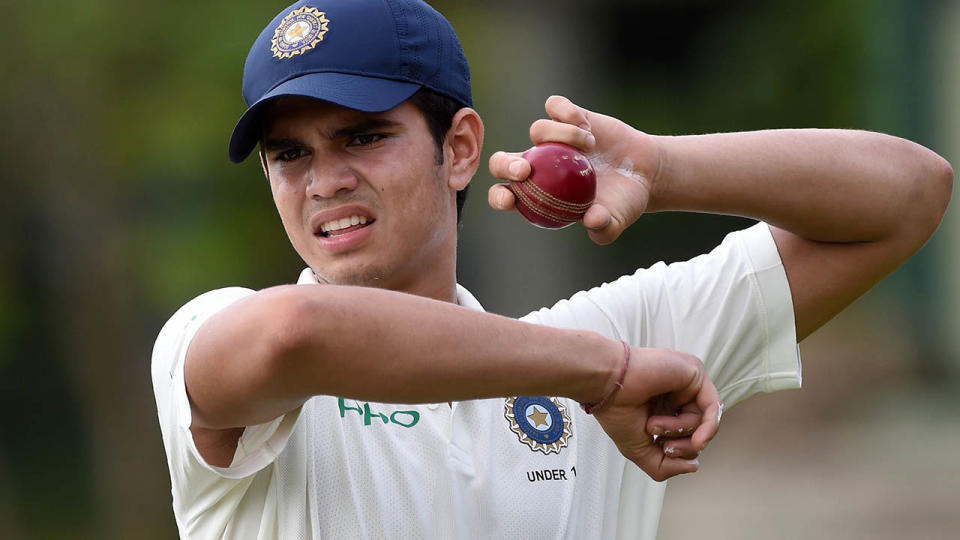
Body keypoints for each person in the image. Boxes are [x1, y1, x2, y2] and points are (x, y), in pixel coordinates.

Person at [151, 0, 953, 538]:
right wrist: (603, 374)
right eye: (289, 154)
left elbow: (911, 193)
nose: (323, 181)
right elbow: (298, 333)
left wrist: (662, 168)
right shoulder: (208, 335)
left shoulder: (602, 342)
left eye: (362, 136)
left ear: (460, 147)